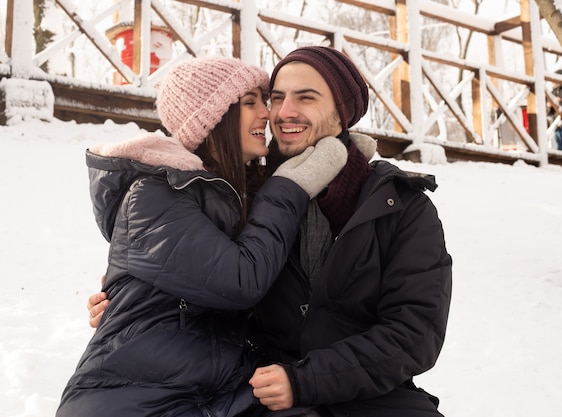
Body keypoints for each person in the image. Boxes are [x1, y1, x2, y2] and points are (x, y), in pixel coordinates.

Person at [89, 47, 452, 417]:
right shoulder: (241, 196)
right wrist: (133, 302)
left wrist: (306, 381)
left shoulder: (400, 207)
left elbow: (414, 334)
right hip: (256, 391)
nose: (281, 112)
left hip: (369, 393)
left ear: (342, 112)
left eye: (305, 98)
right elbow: (205, 279)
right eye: (275, 98)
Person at [56, 56, 348, 417]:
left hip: (210, 389)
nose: (267, 114)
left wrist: (348, 167)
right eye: (250, 103)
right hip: (135, 398)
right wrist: (287, 189)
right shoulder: (154, 193)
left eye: (264, 100)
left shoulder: (236, 197)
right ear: (214, 119)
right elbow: (242, 279)